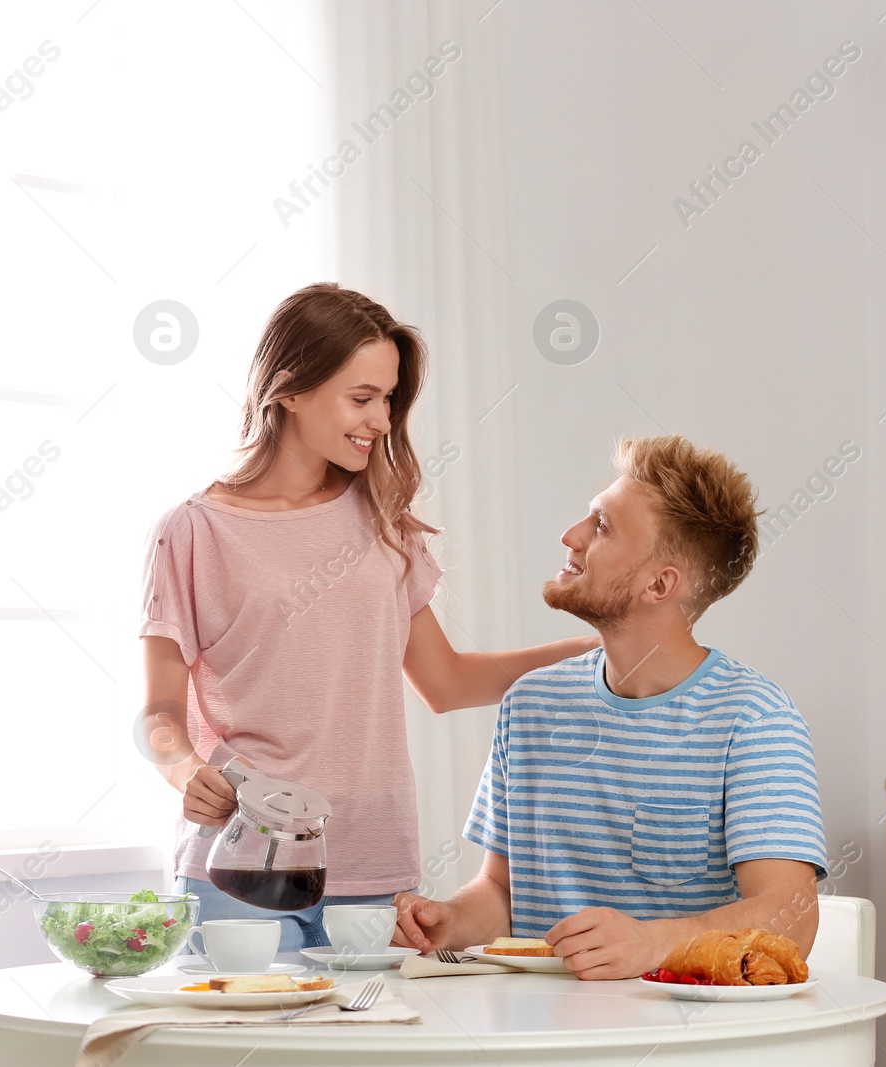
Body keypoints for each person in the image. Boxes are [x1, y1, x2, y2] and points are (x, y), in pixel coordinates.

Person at [137, 283, 599, 951]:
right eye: (361, 398)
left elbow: (446, 682)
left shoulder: (384, 524)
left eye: (387, 398)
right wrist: (184, 771)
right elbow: (158, 713)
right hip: (239, 867)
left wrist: (592, 650)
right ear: (289, 389)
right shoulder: (191, 532)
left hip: (373, 866)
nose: (382, 420)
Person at [391, 434, 827, 980]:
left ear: (660, 584)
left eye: (601, 525)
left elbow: (791, 917)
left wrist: (652, 944)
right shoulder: (531, 704)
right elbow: (503, 891)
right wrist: (449, 919)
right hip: (533, 1029)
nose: (570, 536)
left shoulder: (754, 721)